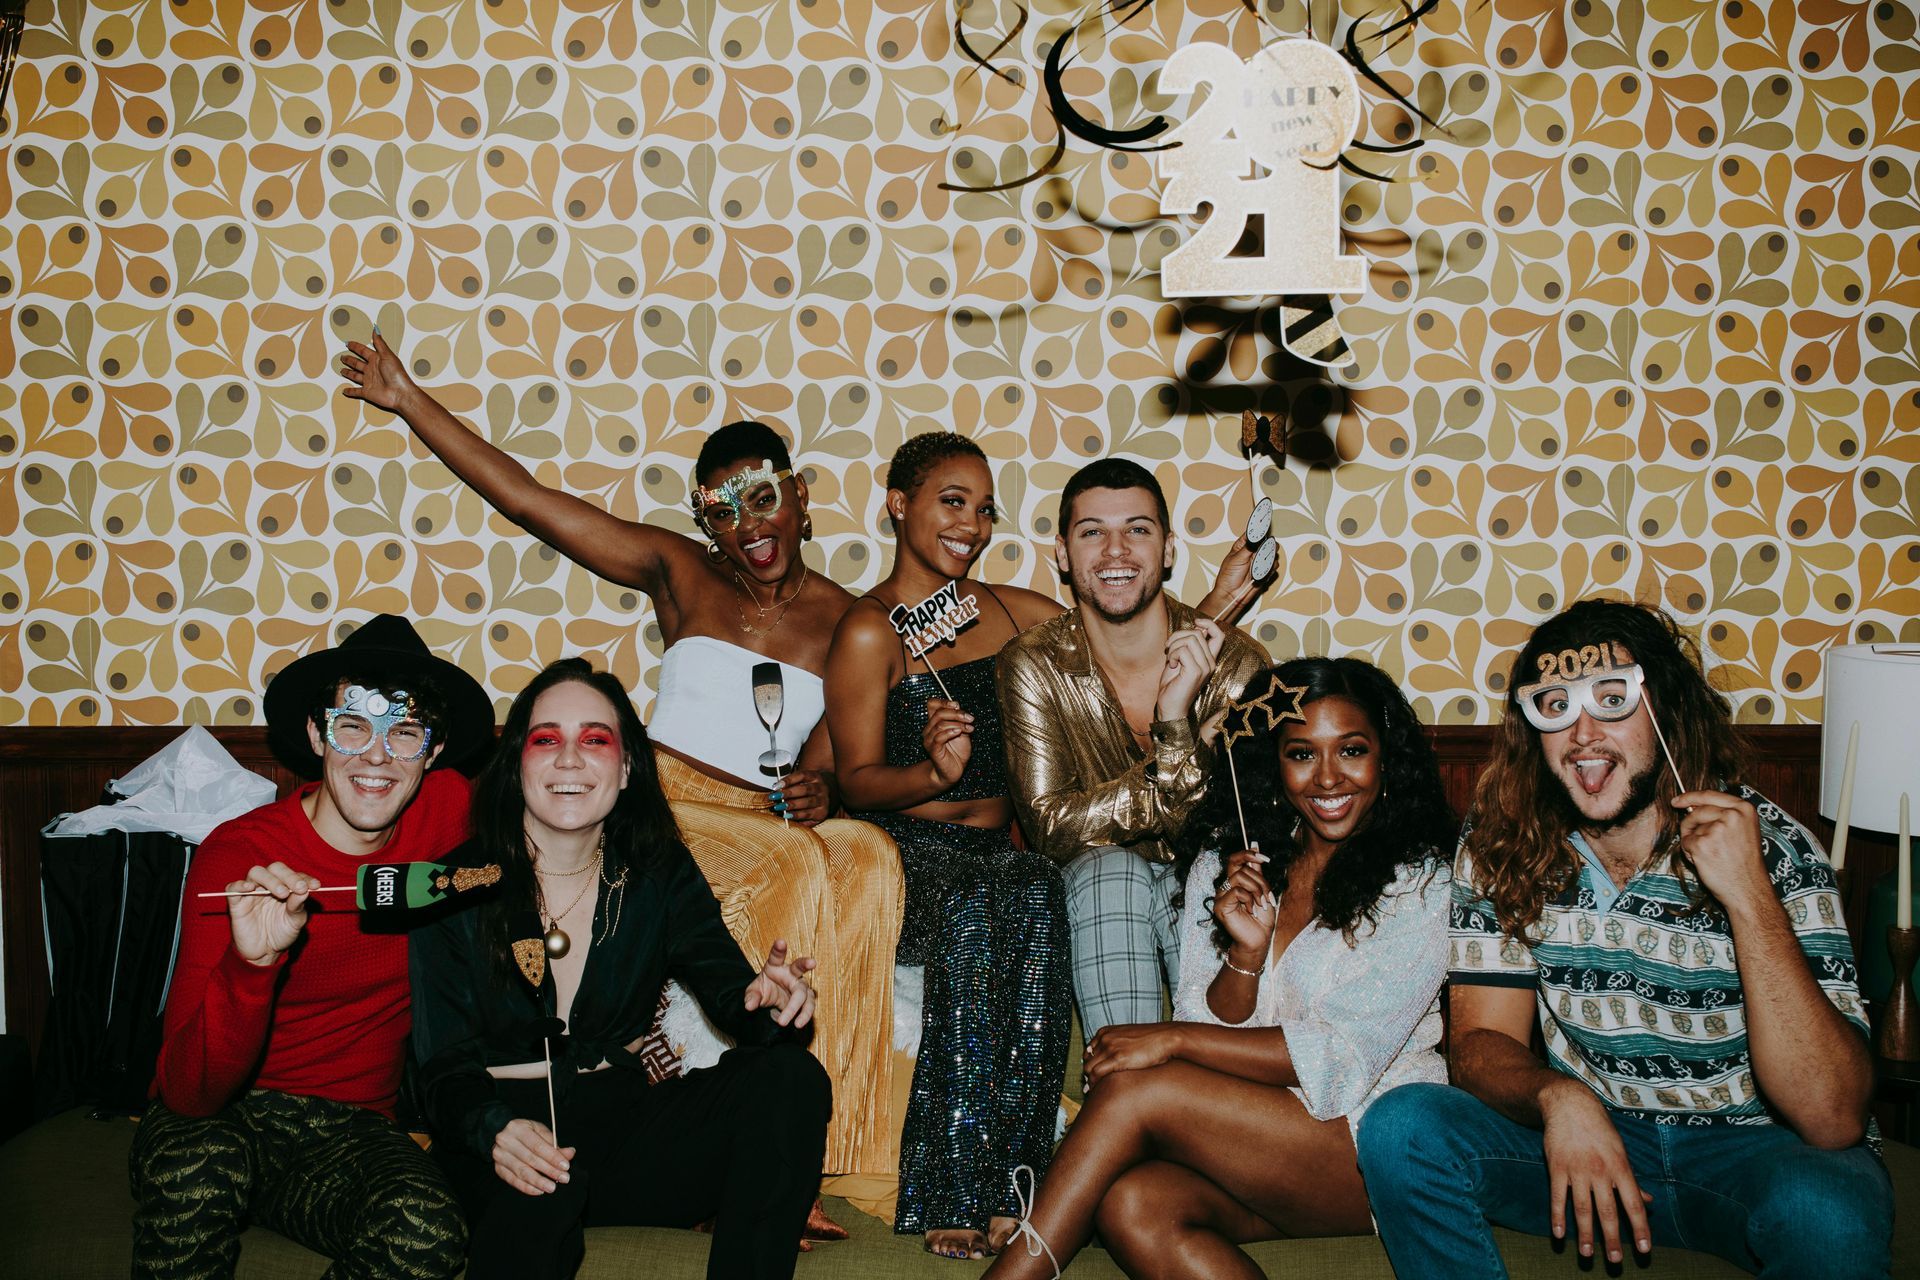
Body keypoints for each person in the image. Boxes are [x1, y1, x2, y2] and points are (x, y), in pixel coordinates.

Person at [338, 335, 901, 1185]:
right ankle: (747, 1145)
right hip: (662, 804)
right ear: (704, 520)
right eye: (724, 509)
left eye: (763, 497)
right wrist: (409, 400)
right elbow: (530, 502)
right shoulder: (682, 573)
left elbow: (835, 762)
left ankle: (839, 1143)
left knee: (867, 857)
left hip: (764, 816)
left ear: (801, 498)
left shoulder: (850, 619)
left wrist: (824, 786)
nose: (748, 524)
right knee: (798, 866)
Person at [1358, 599, 1892, 1278]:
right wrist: (1562, 1099)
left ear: (1665, 712)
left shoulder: (1775, 848)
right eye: (1554, 705)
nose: (1583, 734)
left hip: (1759, 1152)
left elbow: (1833, 1117)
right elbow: (1479, 1047)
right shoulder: (1502, 847)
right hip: (1596, 1139)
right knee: (1402, 1127)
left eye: (1612, 700)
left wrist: (1749, 895)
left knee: (1829, 1212)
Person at [983, 656, 1456, 1279]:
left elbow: (1339, 1061)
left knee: (1136, 1087)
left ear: (1386, 758)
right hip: (1251, 1143)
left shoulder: (1420, 884)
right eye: (1301, 754)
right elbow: (1215, 1026)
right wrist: (1246, 956)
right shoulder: (1226, 865)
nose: (1328, 777)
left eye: (1352, 750)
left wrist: (1172, 1039)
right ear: (1273, 764)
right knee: (1133, 1205)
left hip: (1372, 1149)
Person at [411, 658, 831, 1280]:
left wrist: (768, 1003)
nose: (571, 759)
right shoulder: (453, 884)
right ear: (518, 763)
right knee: (542, 1191)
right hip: (505, 1145)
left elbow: (733, 999)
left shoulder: (659, 875)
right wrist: (493, 1129)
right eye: (547, 738)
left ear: (627, 766)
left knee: (791, 1076)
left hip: (627, 1139)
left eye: (596, 740)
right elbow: (440, 1064)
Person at [129, 614, 494, 1278]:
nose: (377, 756)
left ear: (433, 753)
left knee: (428, 1226)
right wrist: (253, 966)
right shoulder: (240, 856)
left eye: (405, 733)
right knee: (197, 1163)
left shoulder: (452, 813)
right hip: (221, 1115)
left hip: (349, 1133)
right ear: (314, 734)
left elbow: (561, 836)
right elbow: (186, 1095)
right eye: (351, 726)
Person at [823, 432, 1073, 1259]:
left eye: (986, 508)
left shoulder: (1011, 612)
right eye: (952, 501)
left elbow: (1118, 643)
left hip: (1000, 854)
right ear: (900, 505)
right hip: (905, 853)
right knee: (981, 902)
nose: (972, 523)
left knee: (1038, 887)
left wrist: (1211, 612)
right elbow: (856, 779)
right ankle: (949, 1185)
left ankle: (1019, 1180)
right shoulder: (869, 630)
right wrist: (933, 771)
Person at [997, 457, 1267, 1041]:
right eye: (1092, 531)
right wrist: (1182, 743)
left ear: (1168, 550)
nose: (1115, 551)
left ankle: (1183, 1101)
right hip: (1097, 896)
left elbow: (1243, 826)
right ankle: (1129, 1096)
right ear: (1063, 556)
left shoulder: (1237, 664)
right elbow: (1051, 828)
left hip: (1208, 886)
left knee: (1202, 873)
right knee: (1108, 869)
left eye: (1137, 530)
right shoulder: (1033, 664)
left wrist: (1174, 717)